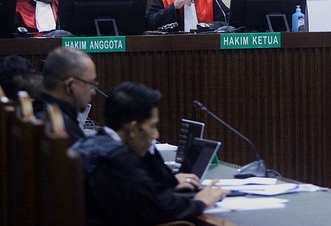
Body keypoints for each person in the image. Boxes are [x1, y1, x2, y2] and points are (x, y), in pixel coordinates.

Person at [71, 81, 228, 225]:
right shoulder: (116, 159)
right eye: (152, 126)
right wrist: (201, 201)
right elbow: (159, 206)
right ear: (132, 129)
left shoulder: (90, 143)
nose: (156, 135)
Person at [33, 47, 98, 145]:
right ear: (70, 85)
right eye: (90, 84)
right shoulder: (62, 129)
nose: (93, 92)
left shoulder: (36, 109)